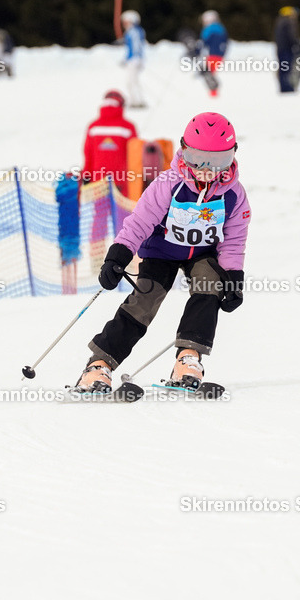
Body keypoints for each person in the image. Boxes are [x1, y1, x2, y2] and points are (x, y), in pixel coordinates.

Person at [73, 111, 251, 393]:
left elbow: (233, 240)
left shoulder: (233, 194)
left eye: (218, 161)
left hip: (203, 253)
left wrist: (233, 277)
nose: (207, 169)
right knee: (144, 301)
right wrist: (118, 254)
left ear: (232, 156)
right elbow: (140, 221)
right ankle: (99, 366)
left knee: (209, 287)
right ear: (184, 152)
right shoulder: (168, 185)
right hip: (161, 251)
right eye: (198, 159)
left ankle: (188, 358)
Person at [82, 90, 138, 194]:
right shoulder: (128, 127)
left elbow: (88, 154)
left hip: (98, 182)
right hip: (122, 182)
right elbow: (135, 156)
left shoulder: (93, 126)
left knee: (100, 209)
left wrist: (86, 176)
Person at [198, 10, 229, 97]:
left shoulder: (208, 30)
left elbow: (204, 43)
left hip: (212, 55)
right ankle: (213, 92)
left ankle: (213, 93)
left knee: (209, 73)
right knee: (211, 72)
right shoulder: (221, 29)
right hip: (220, 55)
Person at [121, 10, 147, 108]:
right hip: (134, 59)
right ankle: (137, 100)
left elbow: (136, 46)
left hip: (134, 60)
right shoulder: (135, 31)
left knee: (131, 81)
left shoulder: (133, 31)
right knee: (133, 81)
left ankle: (136, 101)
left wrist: (134, 58)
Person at [274, 6, 300, 93]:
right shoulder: (288, 22)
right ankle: (287, 88)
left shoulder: (280, 22)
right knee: (286, 69)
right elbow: (291, 36)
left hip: (280, 50)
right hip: (287, 50)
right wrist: (296, 44)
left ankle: (284, 88)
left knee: (283, 68)